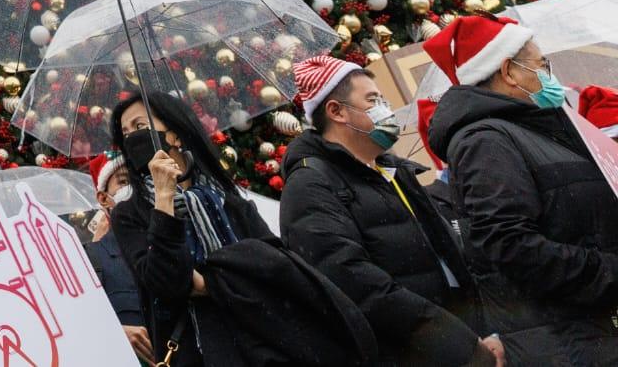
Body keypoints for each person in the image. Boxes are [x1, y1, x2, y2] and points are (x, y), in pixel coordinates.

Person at [278, 54, 496, 367]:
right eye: (373, 101)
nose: (386, 110)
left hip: (462, 340)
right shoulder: (310, 186)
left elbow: (448, 255)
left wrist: (483, 332)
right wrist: (459, 344)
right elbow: (358, 288)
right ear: (336, 111)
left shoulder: (394, 172)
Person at [427, 13, 618, 364]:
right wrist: (607, 270)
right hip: (564, 343)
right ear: (509, 72)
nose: (548, 74)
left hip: (591, 331)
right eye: (541, 64)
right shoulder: (485, 141)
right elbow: (510, 244)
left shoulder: (534, 129)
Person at [107, 90, 276, 367]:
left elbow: (271, 264)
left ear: (175, 136)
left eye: (139, 126)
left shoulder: (227, 201)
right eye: (125, 134)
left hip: (257, 342)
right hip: (194, 354)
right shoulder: (128, 214)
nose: (132, 138)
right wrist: (164, 200)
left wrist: (212, 284)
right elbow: (165, 282)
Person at [87, 154, 150, 362]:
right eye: (123, 182)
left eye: (139, 180)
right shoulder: (90, 259)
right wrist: (116, 332)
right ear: (104, 198)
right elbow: (73, 323)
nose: (133, 189)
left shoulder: (173, 245)